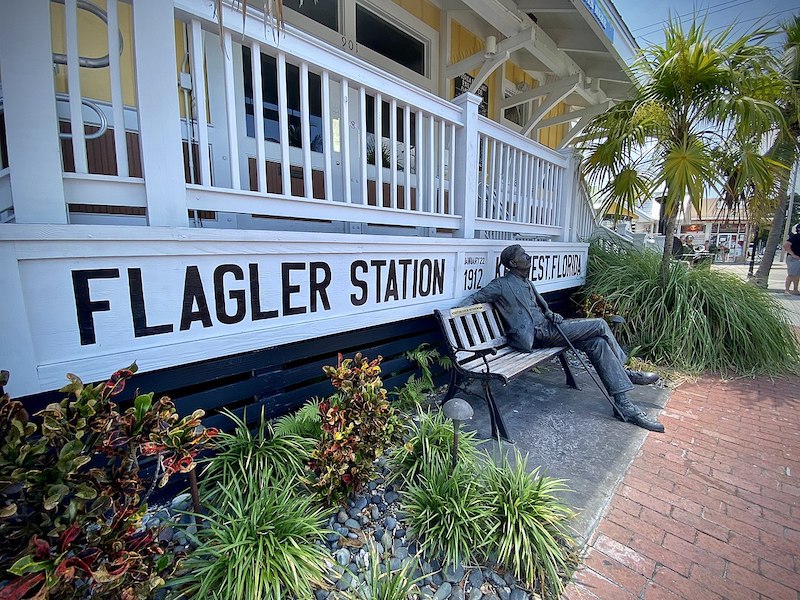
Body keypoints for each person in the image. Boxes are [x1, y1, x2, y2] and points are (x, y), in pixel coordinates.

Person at [459, 244, 664, 432]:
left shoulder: (526, 282)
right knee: (600, 324)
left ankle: (623, 404)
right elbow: (476, 297)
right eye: (523, 255)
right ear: (513, 263)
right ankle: (623, 372)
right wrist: (453, 312)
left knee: (597, 342)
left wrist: (550, 313)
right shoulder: (501, 285)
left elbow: (540, 307)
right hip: (537, 334)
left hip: (549, 326)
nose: (528, 256)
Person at [784, 223, 800, 295]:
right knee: (791, 274)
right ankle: (787, 290)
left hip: (798, 258)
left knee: (797, 275)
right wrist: (793, 254)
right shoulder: (795, 237)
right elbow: (786, 245)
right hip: (793, 258)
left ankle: (795, 289)